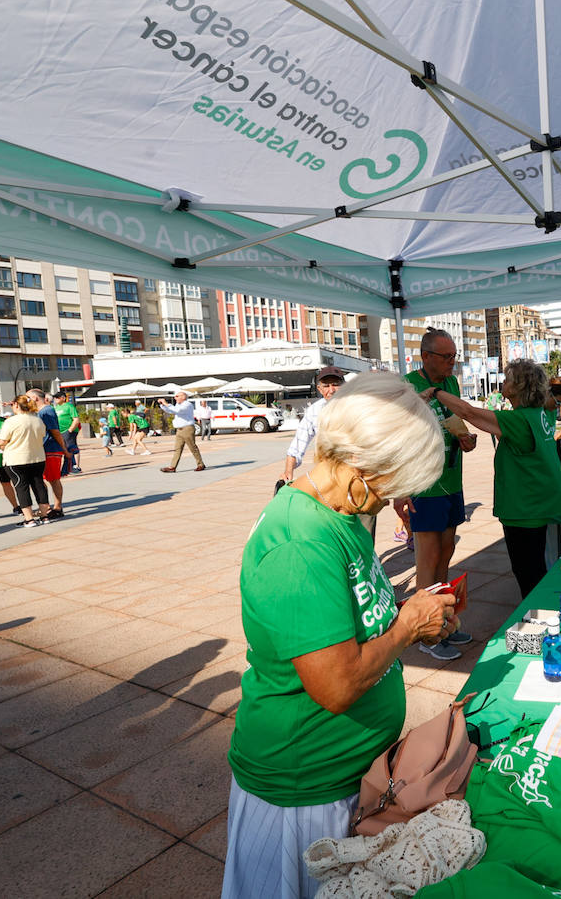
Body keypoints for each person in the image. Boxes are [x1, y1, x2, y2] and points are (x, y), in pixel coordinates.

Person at [222, 372, 455, 899]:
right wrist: (405, 627)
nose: (396, 499)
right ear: (362, 468)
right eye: (394, 484)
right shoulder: (302, 540)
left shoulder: (339, 511)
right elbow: (335, 686)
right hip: (303, 786)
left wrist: (410, 615)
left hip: (345, 773)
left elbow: (350, 615)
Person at [418, 360, 561, 598]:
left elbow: (469, 412)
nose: (503, 383)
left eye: (508, 380)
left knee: (527, 572)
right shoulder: (538, 414)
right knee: (535, 565)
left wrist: (436, 392)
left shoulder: (518, 420)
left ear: (519, 386)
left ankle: (537, 620)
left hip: (525, 508)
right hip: (540, 502)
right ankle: (541, 614)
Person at [400, 329, 475, 660]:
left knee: (446, 552)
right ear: (425, 357)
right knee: (427, 560)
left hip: (451, 482)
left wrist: (465, 438)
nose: (452, 363)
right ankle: (427, 633)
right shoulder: (405, 386)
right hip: (423, 485)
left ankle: (445, 620)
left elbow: (456, 420)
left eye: (455, 356)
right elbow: (396, 433)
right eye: (446, 357)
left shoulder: (452, 384)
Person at [279, 367, 346, 483]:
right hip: (328, 470)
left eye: (336, 384)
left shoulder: (356, 405)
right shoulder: (314, 411)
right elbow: (298, 444)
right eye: (326, 386)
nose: (331, 390)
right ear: (319, 389)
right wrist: (288, 471)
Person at [0, 394, 52, 527]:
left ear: (16, 405)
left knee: (21, 487)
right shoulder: (38, 420)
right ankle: (44, 516)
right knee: (39, 486)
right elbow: (42, 435)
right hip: (37, 457)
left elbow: (2, 441)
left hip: (16, 459)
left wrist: (3, 445)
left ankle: (29, 518)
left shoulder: (11, 421)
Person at [29, 388, 70, 519]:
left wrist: (64, 448)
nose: (26, 400)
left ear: (35, 398)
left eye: (28, 397)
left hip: (51, 448)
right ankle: (46, 507)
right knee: (42, 480)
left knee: (53, 479)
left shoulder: (47, 410)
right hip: (43, 449)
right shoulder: (40, 412)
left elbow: (55, 431)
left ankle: (57, 508)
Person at [158, 391, 205, 473]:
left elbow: (178, 410)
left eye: (177, 396)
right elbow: (172, 411)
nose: (175, 398)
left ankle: (200, 464)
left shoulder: (187, 404)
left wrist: (166, 403)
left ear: (183, 397)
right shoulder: (178, 405)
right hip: (179, 429)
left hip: (187, 428)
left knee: (192, 447)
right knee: (177, 449)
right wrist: (163, 405)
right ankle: (172, 466)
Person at [52, 390, 81, 475]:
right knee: (64, 449)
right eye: (55, 398)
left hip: (68, 431)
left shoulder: (69, 406)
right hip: (59, 432)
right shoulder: (56, 407)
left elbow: (76, 419)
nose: (55, 399)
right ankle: (66, 469)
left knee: (70, 448)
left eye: (57, 397)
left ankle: (74, 467)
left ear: (63, 398)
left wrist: (70, 430)